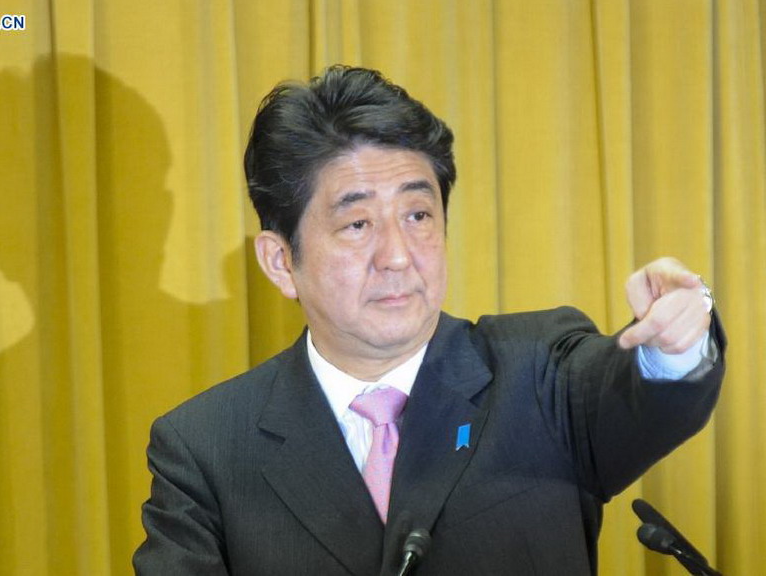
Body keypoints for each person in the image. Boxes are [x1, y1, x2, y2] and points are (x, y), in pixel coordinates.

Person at [133, 66, 725, 575]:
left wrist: (673, 345)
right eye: (357, 224)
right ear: (281, 260)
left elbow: (630, 392)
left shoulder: (538, 370)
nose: (398, 254)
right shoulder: (206, 448)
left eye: (419, 214)